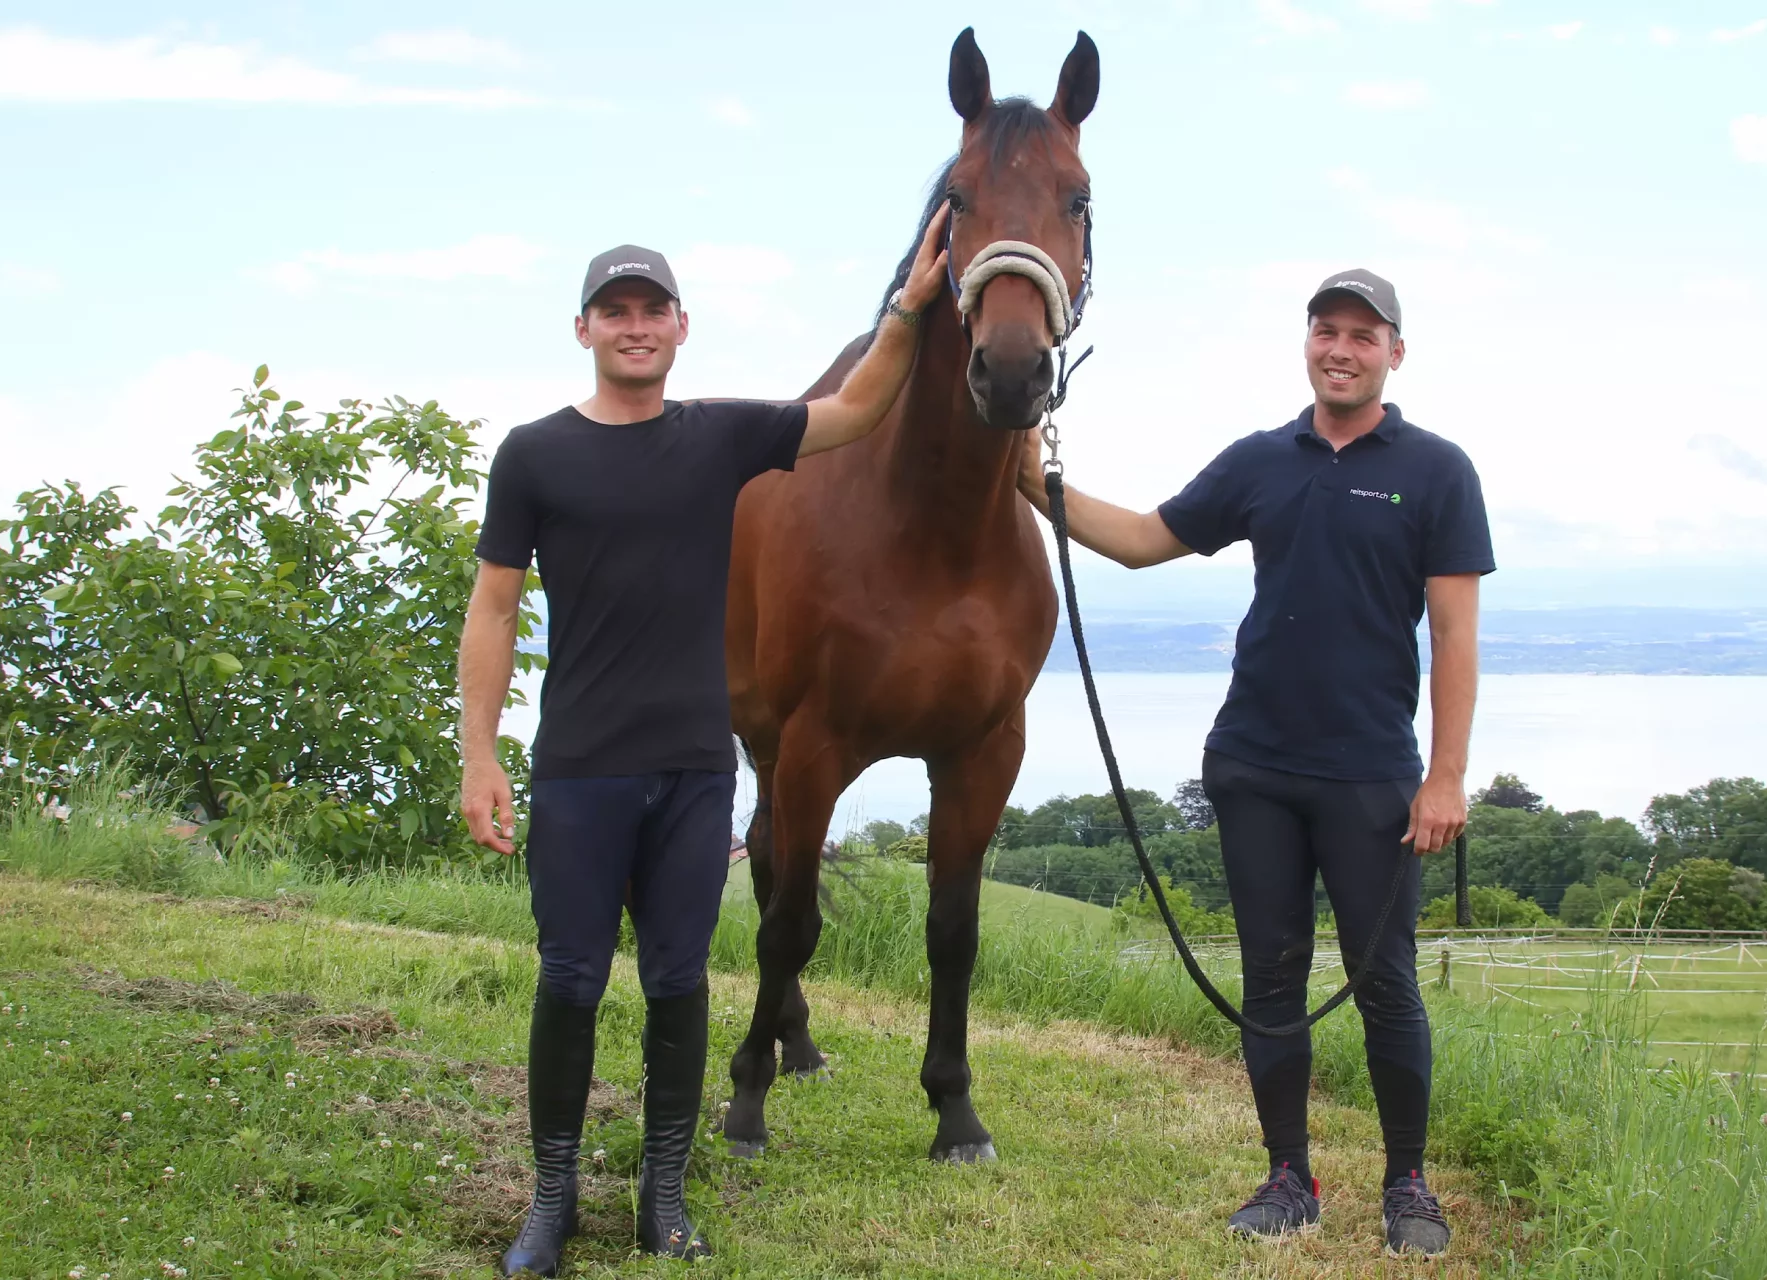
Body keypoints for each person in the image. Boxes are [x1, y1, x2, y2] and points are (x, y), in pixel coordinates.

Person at [458, 212, 949, 1274]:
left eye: (651, 310)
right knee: (571, 979)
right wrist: (479, 754)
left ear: (681, 325)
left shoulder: (721, 434)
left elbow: (860, 406)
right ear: (582, 327)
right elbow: (492, 608)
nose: (634, 327)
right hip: (582, 764)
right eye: (613, 311)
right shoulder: (534, 454)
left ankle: (663, 1195)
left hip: (692, 771)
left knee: (680, 982)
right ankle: (551, 1199)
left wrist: (908, 307)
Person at [1017, 269, 1491, 1257]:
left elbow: (1454, 638)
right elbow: (1147, 540)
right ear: (1307, 342)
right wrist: (1036, 484)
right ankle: (1289, 1174)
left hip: (1371, 776)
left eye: (1364, 334)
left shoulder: (1438, 471)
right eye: (1327, 330)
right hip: (1253, 764)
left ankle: (1406, 1181)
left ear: (1394, 352)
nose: (1343, 348)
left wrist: (1444, 776)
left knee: (1386, 985)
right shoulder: (1260, 461)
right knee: (1271, 977)